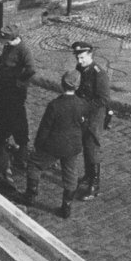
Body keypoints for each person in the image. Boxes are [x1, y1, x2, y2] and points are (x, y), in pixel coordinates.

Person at [24, 71, 89, 219]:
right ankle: (66, 207)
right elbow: (84, 127)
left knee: (35, 164)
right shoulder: (82, 105)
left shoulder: (55, 105)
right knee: (71, 174)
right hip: (72, 147)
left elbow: (44, 129)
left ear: (61, 84)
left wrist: (38, 145)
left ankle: (30, 196)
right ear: (77, 86)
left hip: (53, 146)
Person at [0, 23, 35, 170]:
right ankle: (3, 136)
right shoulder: (8, 46)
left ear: (14, 38)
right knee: (2, 111)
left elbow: (31, 69)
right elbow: (5, 60)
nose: (3, 42)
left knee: (17, 117)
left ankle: (22, 148)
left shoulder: (23, 50)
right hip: (5, 86)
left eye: (6, 39)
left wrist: (18, 79)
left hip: (16, 89)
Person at [72, 41, 111, 201]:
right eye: (78, 58)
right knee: (85, 146)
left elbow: (103, 99)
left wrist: (84, 108)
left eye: (82, 57)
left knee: (92, 148)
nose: (79, 61)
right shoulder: (81, 68)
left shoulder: (98, 73)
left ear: (90, 55)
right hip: (84, 114)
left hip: (94, 116)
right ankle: (88, 176)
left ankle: (94, 185)